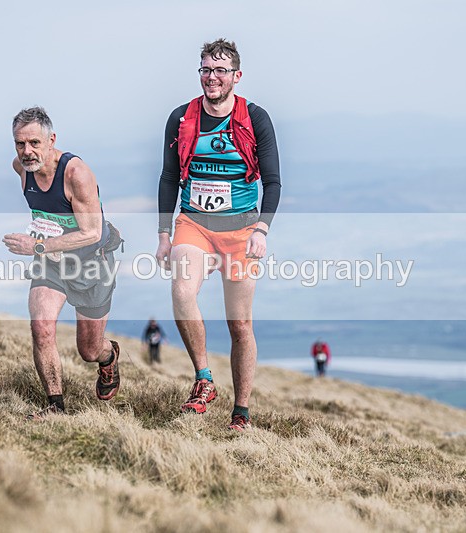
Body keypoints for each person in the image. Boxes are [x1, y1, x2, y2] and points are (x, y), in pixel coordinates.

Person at [155, 38, 282, 431]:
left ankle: (241, 411)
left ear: (236, 77)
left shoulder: (255, 118)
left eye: (220, 70)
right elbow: (169, 177)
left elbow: (274, 182)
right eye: (206, 70)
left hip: (241, 231)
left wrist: (262, 228)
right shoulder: (181, 118)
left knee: (239, 324)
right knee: (181, 293)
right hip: (194, 224)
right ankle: (204, 379)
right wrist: (164, 233)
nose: (212, 77)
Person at [3, 106, 122, 417]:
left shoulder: (75, 173)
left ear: (51, 139)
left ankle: (108, 358)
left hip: (91, 262)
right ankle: (55, 406)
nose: (27, 152)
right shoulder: (21, 167)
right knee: (41, 327)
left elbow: (93, 232)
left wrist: (38, 246)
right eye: (20, 143)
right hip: (51, 262)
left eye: (34, 143)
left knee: (88, 349)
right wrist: (43, 248)